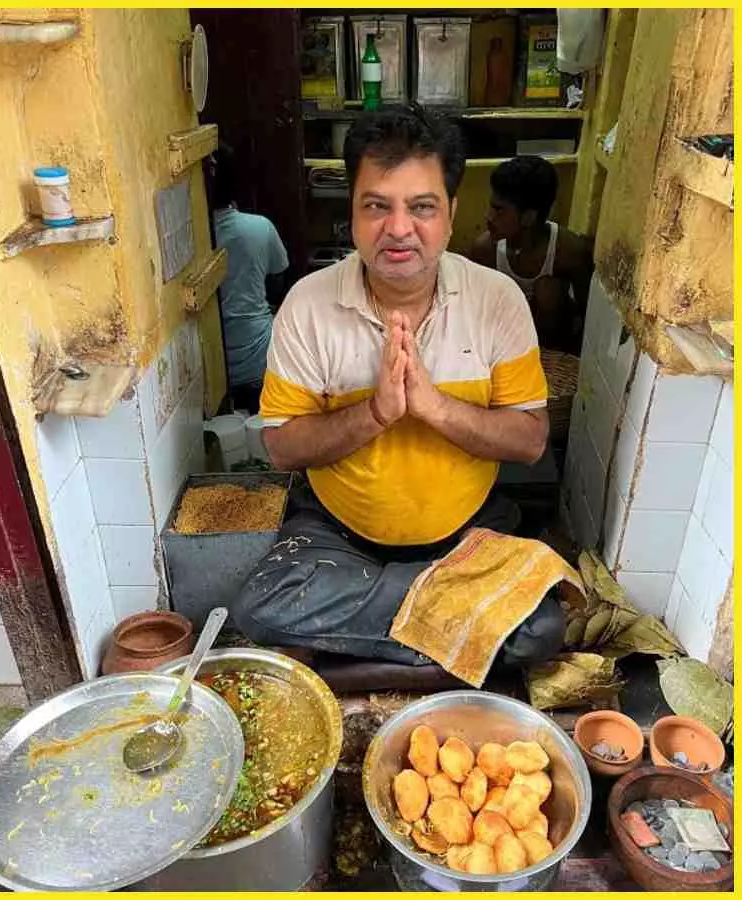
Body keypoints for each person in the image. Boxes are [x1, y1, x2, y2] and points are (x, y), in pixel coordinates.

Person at [231, 105, 565, 669]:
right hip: (338, 535)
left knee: (543, 629)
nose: (399, 229)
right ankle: (451, 628)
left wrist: (432, 405)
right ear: (353, 214)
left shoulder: (496, 300)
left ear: (453, 214)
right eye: (377, 206)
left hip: (465, 534)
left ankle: (379, 625)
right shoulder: (308, 305)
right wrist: (376, 413)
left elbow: (530, 441)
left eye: (422, 207)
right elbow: (281, 446)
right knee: (261, 606)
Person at [468, 155, 594, 354]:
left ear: (528, 217)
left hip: (549, 348)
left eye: (499, 211)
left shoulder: (569, 251)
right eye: (491, 207)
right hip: (504, 344)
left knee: (548, 291)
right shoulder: (484, 251)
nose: (488, 217)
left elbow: (590, 316)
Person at [206, 145, 291, 415]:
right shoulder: (258, 228)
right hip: (258, 356)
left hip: (210, 368)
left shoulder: (193, 238)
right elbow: (278, 282)